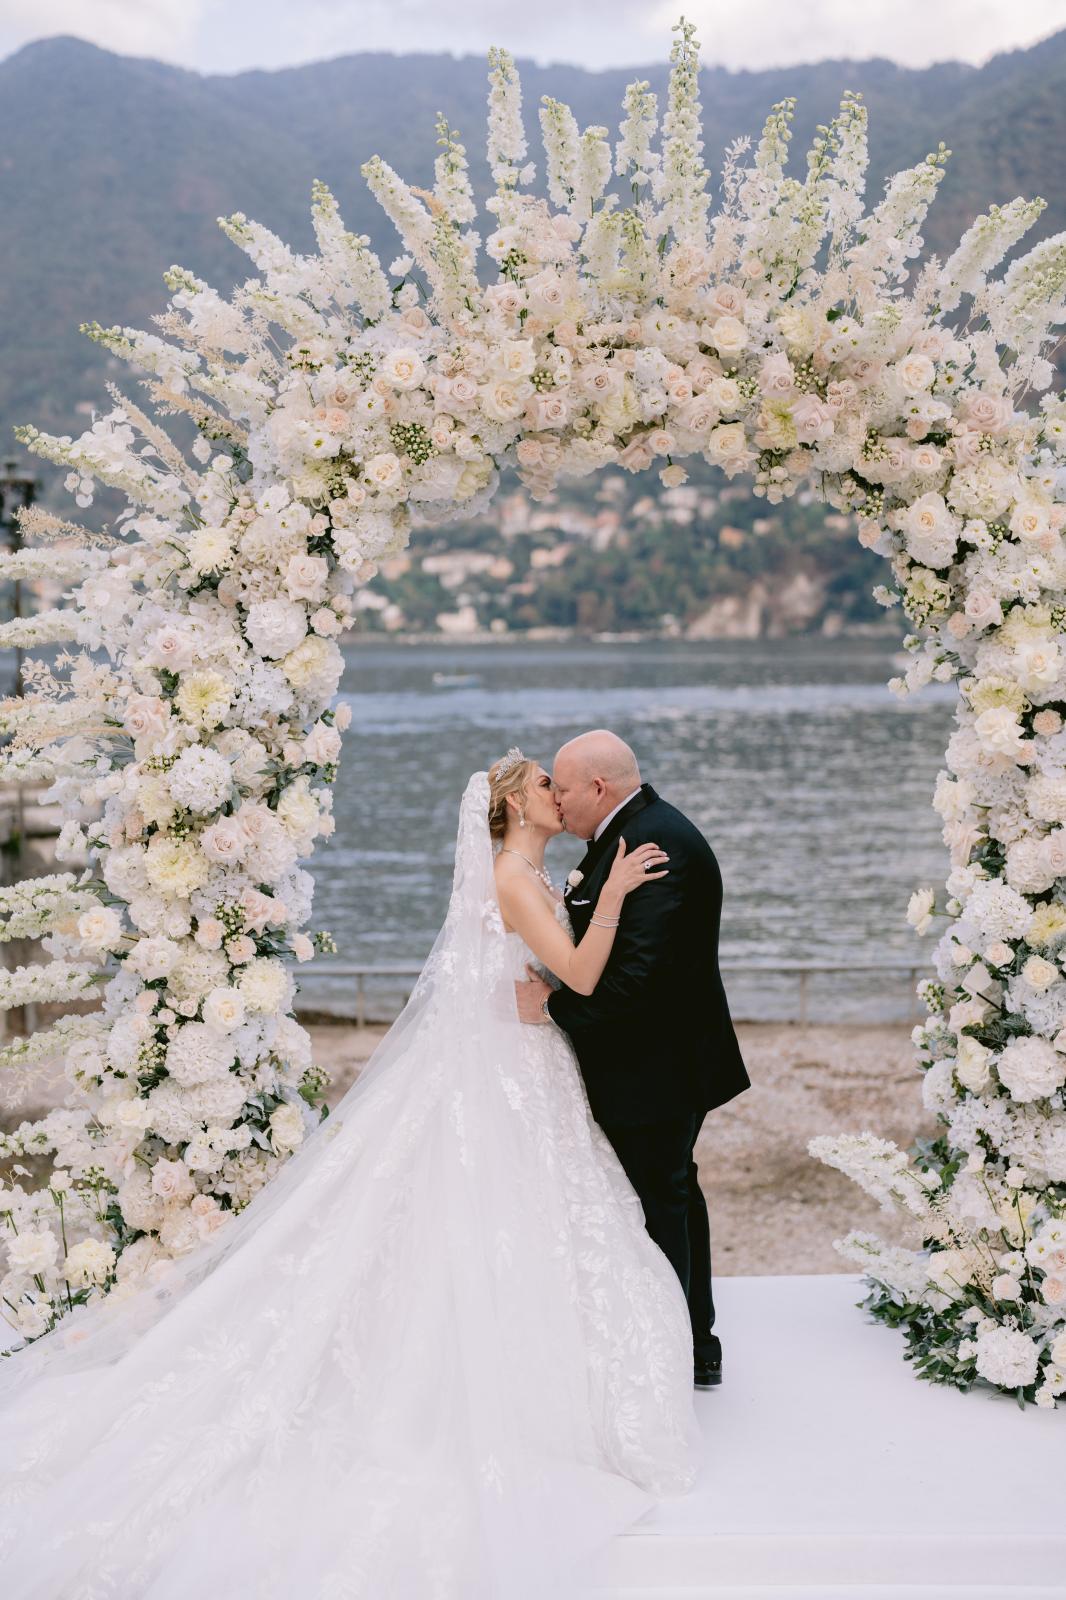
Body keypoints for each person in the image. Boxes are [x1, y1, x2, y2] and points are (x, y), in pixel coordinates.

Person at [0, 755, 699, 1600]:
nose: (558, 792)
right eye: (545, 784)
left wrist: (545, 981)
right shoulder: (516, 878)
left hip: (527, 1068)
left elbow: (539, 973)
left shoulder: (528, 873)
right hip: (514, 1073)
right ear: (515, 805)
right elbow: (583, 972)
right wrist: (613, 898)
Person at [515, 730, 750, 1390]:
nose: (556, 801)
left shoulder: (656, 844)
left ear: (598, 788)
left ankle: (679, 1349)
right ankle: (693, 1341)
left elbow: (638, 979)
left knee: (659, 1202)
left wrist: (550, 1010)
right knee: (668, 1195)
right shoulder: (635, 831)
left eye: (561, 787)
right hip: (657, 1059)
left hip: (658, 1065)